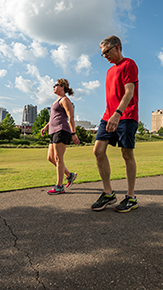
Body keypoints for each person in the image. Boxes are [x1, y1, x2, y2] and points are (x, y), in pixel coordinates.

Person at [91, 35, 139, 213]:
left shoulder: (129, 65)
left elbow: (129, 92)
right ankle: (108, 193)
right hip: (108, 116)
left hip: (126, 115)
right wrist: (111, 115)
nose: (105, 57)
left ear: (117, 48)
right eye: (102, 54)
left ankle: (131, 197)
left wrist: (118, 114)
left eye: (106, 52)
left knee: (127, 155)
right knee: (98, 150)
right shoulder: (109, 71)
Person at [41, 78, 80, 195]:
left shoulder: (65, 100)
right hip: (54, 131)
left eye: (56, 85)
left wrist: (73, 133)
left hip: (62, 130)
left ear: (62, 86)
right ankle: (69, 175)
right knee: (50, 158)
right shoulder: (56, 101)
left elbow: (71, 116)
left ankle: (59, 186)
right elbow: (54, 116)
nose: (54, 87)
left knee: (58, 159)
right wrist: (46, 126)